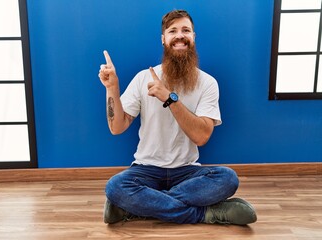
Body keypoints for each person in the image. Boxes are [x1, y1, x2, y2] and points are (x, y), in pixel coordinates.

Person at [98, 9, 257, 225]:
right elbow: (117, 127)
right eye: (172, 31)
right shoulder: (143, 78)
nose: (180, 35)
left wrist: (169, 98)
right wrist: (112, 88)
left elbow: (201, 137)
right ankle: (206, 214)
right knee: (115, 187)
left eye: (186, 30)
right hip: (146, 170)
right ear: (164, 39)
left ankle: (139, 207)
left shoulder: (208, 83)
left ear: (193, 37)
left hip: (187, 172)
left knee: (228, 179)